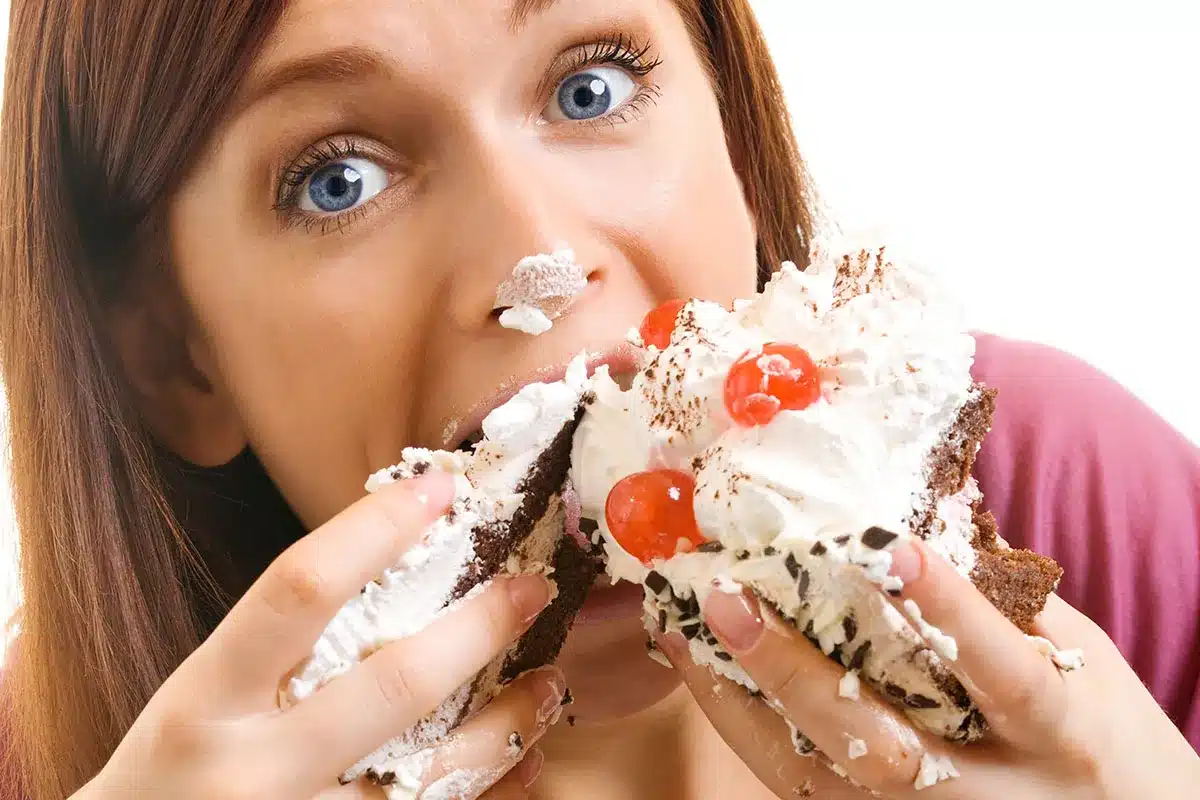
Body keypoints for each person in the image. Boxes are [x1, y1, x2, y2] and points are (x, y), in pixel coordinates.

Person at [0, 0, 1196, 798]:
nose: (537, 259)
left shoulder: (1067, 494)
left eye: (589, 89)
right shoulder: (58, 756)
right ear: (177, 357)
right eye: (337, 178)